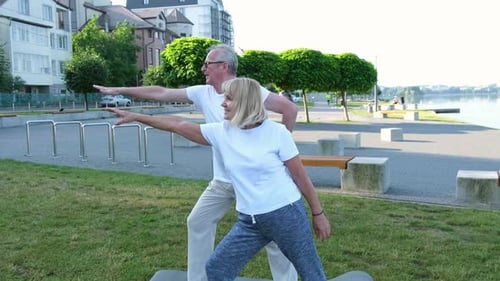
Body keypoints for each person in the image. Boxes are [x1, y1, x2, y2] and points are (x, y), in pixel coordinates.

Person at [93, 44, 299, 281]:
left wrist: (281, 155)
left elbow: (289, 109)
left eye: (207, 64)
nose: (203, 69)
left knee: (273, 236)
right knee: (198, 221)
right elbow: (161, 92)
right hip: (223, 181)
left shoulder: (249, 90)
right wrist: (118, 89)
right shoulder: (204, 92)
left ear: (223, 66)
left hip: (257, 183)